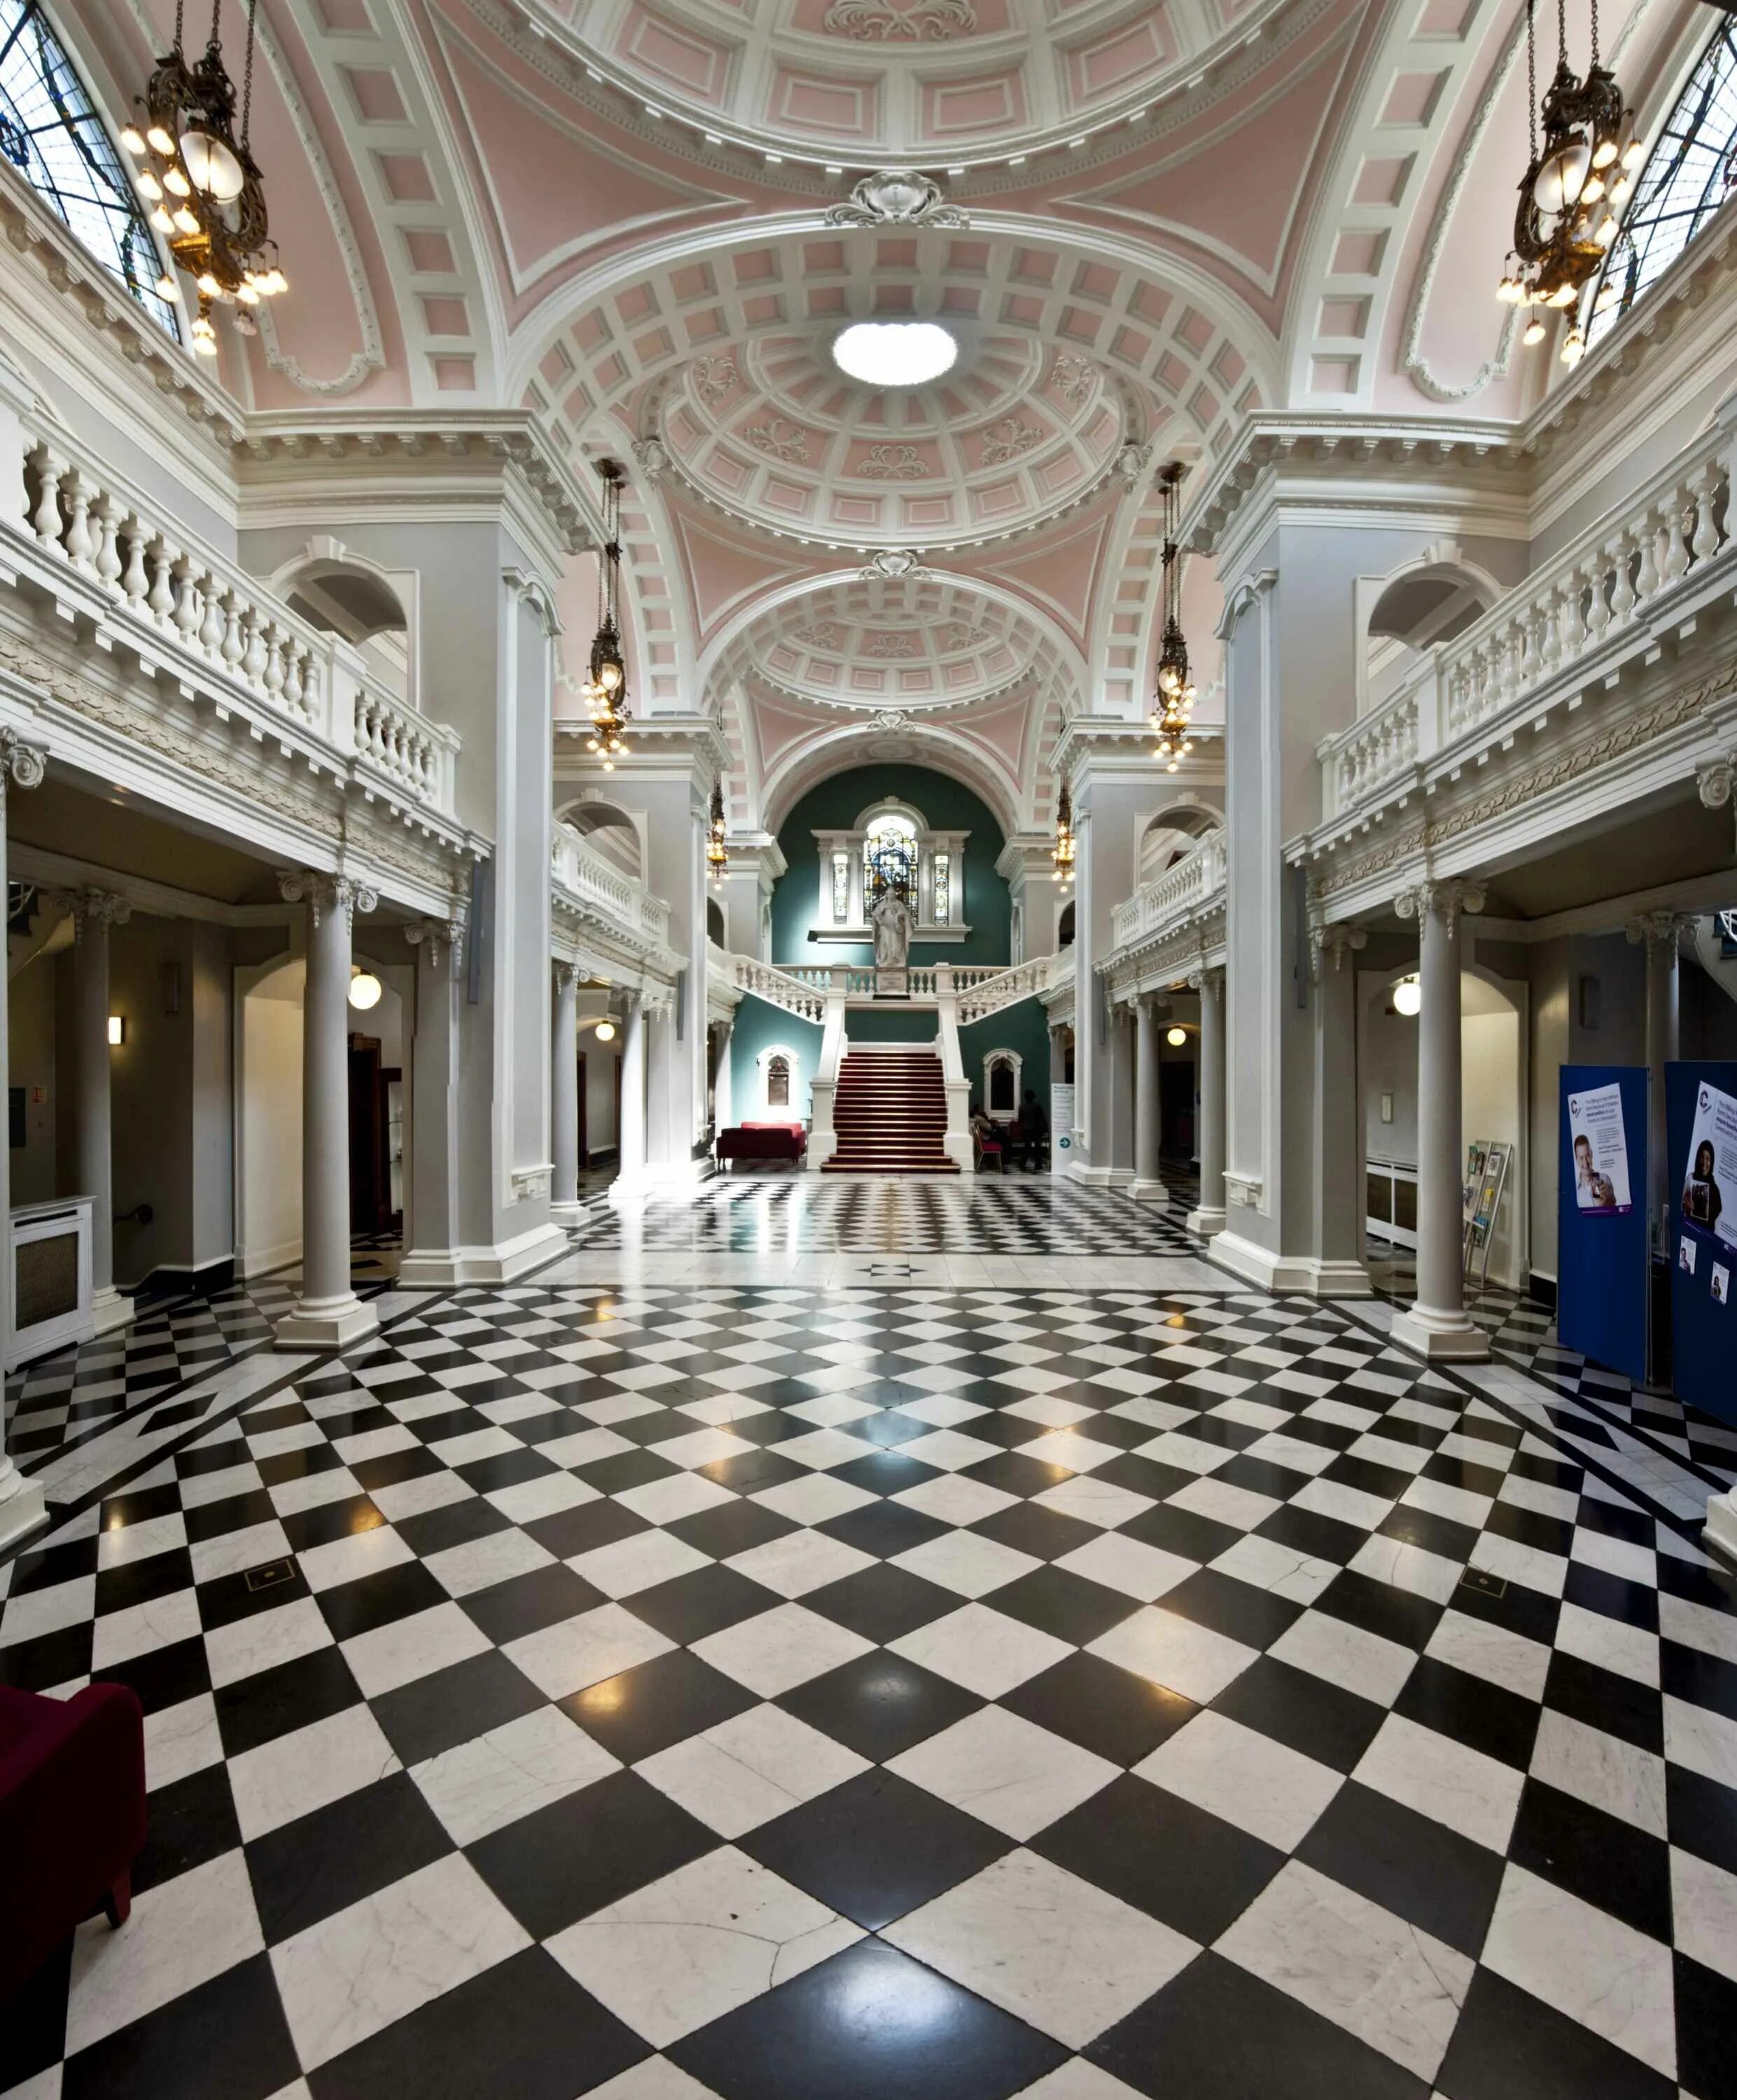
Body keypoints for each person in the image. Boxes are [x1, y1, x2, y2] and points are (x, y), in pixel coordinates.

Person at [1683, 1139, 1723, 1231]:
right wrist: (1686, 1204)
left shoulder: (1715, 1190)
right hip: (1689, 1229)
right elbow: (1681, 1205)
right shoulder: (1691, 1178)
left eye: (1708, 1159)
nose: (1704, 1162)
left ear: (1712, 1162)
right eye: (1702, 1157)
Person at [1014, 1087, 1049, 1170]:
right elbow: (1041, 1118)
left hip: (1026, 1129)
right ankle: (1038, 1164)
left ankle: (1022, 1163)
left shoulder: (1022, 1106)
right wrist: (1045, 1129)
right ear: (1033, 1097)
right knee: (1037, 1148)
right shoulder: (1037, 1106)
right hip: (1036, 1129)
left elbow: (1020, 1119)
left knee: (1027, 1147)